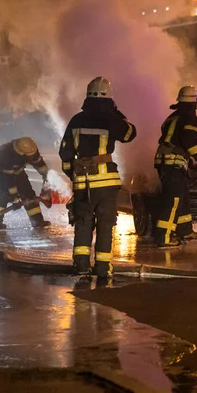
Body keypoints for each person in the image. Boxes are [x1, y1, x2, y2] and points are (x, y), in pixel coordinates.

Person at [59, 76, 137, 278]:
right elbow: (130, 134)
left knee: (83, 223)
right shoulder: (110, 119)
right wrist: (116, 111)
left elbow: (65, 154)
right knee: (105, 224)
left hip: (83, 184)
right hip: (106, 185)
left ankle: (81, 266)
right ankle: (103, 268)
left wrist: (74, 175)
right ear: (109, 97)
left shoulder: (76, 120)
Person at [153, 86, 197, 248]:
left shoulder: (173, 116)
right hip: (172, 164)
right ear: (193, 101)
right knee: (173, 200)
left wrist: (186, 160)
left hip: (166, 161)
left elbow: (173, 139)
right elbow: (189, 140)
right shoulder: (190, 117)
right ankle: (164, 237)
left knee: (182, 197)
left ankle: (185, 230)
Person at [0, 137, 51, 231]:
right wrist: (14, 199)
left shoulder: (31, 148)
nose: (30, 157)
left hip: (17, 169)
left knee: (28, 192)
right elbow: (8, 180)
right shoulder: (7, 155)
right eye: (28, 156)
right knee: (4, 193)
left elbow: (39, 163)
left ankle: (37, 221)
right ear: (21, 153)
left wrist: (47, 176)